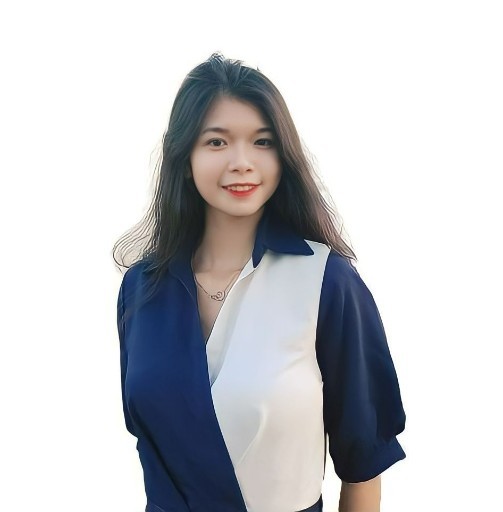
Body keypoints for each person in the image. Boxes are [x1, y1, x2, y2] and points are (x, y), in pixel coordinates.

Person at [113, 52, 406, 512]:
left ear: (283, 156)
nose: (242, 162)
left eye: (262, 141)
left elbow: (363, 462)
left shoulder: (327, 281)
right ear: (184, 157)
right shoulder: (141, 288)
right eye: (217, 142)